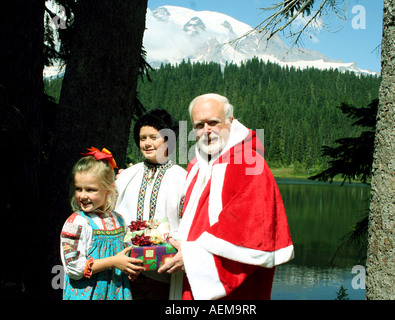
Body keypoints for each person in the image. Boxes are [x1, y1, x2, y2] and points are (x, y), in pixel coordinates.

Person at [158, 93, 294, 300]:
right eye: (199, 125)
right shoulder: (197, 165)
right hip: (191, 275)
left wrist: (193, 256)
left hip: (232, 285)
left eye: (213, 122)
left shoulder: (249, 163)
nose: (206, 131)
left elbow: (251, 228)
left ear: (230, 121)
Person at [115, 109, 187, 300]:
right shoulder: (127, 177)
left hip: (164, 271)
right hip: (126, 267)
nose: (147, 143)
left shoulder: (182, 178)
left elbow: (189, 222)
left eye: (154, 137)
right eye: (142, 138)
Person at [60, 147, 143, 300]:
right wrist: (113, 262)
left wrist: (130, 268)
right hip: (87, 294)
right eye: (78, 189)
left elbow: (125, 254)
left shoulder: (118, 220)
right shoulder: (77, 223)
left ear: (108, 189)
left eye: (91, 190)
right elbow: (75, 268)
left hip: (116, 293)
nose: (83, 196)